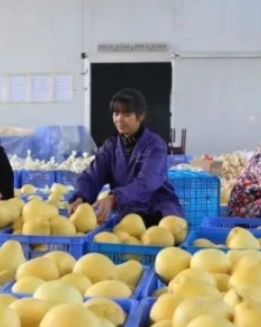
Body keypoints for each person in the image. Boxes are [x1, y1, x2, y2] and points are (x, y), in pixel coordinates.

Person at [70, 89, 183, 226]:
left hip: (159, 208)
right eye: (116, 113)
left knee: (165, 233)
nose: (119, 119)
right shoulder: (110, 147)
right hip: (130, 211)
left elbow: (148, 182)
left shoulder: (155, 146)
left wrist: (115, 197)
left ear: (140, 116)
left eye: (126, 114)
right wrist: (81, 197)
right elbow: (92, 176)